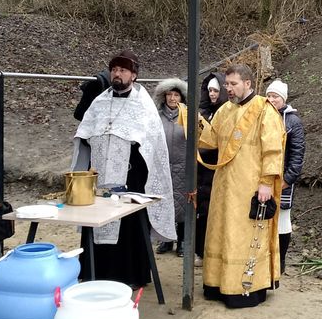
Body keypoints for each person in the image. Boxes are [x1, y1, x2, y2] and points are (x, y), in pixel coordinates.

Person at [71, 50, 175, 286]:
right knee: (97, 222)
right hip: (99, 176)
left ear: (134, 75)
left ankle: (130, 276)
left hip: (130, 178)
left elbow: (152, 143)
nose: (117, 74)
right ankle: (95, 272)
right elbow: (84, 132)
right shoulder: (99, 101)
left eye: (123, 70)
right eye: (114, 70)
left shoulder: (142, 105)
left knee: (129, 229)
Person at [198, 64, 285, 308]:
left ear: (247, 83)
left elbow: (273, 150)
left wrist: (266, 182)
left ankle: (245, 289)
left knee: (244, 235)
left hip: (249, 185)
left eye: (233, 84)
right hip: (224, 185)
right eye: (227, 85)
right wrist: (193, 121)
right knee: (220, 232)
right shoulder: (225, 109)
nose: (229, 89)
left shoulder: (264, 110)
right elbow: (211, 140)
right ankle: (218, 284)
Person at [266, 79, 305, 274]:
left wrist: (288, 179)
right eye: (269, 96)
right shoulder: (262, 116)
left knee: (282, 218)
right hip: (264, 178)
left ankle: (279, 261)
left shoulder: (292, 121)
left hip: (283, 179)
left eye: (275, 96)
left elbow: (297, 155)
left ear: (283, 99)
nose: (272, 99)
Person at [195, 72, 228, 267]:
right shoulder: (204, 112)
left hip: (216, 166)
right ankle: (200, 251)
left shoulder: (226, 112)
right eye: (210, 91)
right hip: (201, 167)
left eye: (216, 90)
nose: (213, 94)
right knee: (202, 212)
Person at [154, 78, 188, 257]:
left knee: (182, 204)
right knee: (163, 203)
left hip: (182, 166)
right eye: (169, 94)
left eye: (176, 95)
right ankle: (165, 239)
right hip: (162, 166)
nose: (172, 98)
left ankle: (182, 240)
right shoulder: (156, 116)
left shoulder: (188, 116)